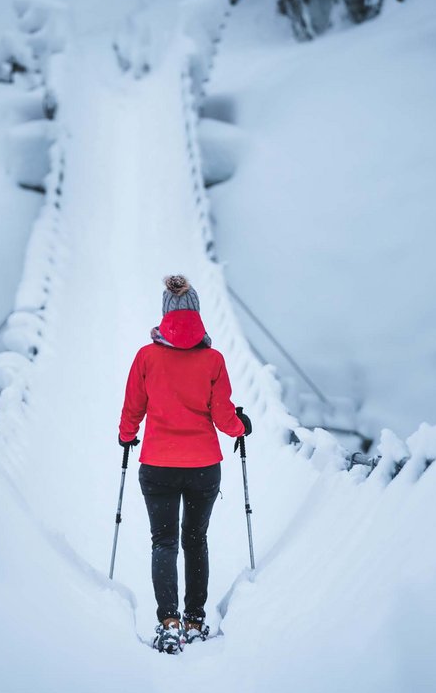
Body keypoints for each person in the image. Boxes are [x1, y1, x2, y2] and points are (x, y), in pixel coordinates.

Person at [118, 275, 252, 654]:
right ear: (197, 314)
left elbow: (133, 407)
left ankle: (169, 622)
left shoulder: (146, 356)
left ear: (165, 314)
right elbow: (225, 416)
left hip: (157, 466)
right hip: (203, 467)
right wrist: (241, 426)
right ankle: (195, 619)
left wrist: (127, 435)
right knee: (195, 540)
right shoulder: (213, 360)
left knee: (164, 542)